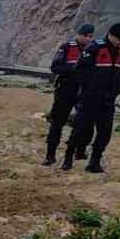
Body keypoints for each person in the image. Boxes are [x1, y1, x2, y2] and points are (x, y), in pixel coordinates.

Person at [62, 23, 120, 173]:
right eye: (117, 38)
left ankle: (94, 162)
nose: (119, 42)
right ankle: (68, 158)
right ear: (110, 34)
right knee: (80, 130)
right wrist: (90, 89)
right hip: (89, 98)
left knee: (105, 133)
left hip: (108, 99)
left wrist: (117, 90)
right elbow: (79, 70)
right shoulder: (94, 47)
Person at [42, 24, 94, 166]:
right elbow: (55, 67)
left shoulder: (93, 50)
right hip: (65, 90)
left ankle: (80, 152)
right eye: (86, 36)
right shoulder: (66, 47)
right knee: (57, 122)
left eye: (90, 36)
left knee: (84, 122)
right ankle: (50, 155)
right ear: (79, 34)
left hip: (84, 91)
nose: (88, 39)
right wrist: (74, 69)